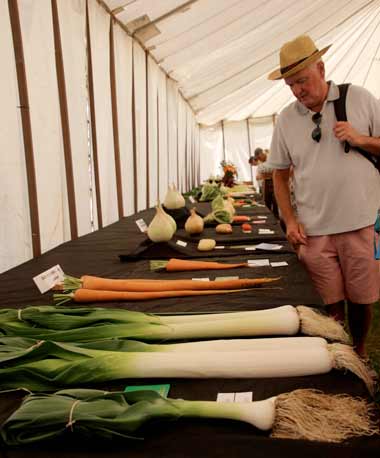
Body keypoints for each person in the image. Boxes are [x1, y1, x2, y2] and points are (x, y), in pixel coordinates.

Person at [267, 34, 380, 357]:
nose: (298, 90)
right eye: (290, 85)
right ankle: (335, 358)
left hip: (360, 222)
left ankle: (358, 352)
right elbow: (279, 172)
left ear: (321, 67)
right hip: (314, 230)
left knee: (361, 299)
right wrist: (289, 220)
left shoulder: (358, 98)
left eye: (302, 81)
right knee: (329, 306)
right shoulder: (287, 119)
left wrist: (361, 139)